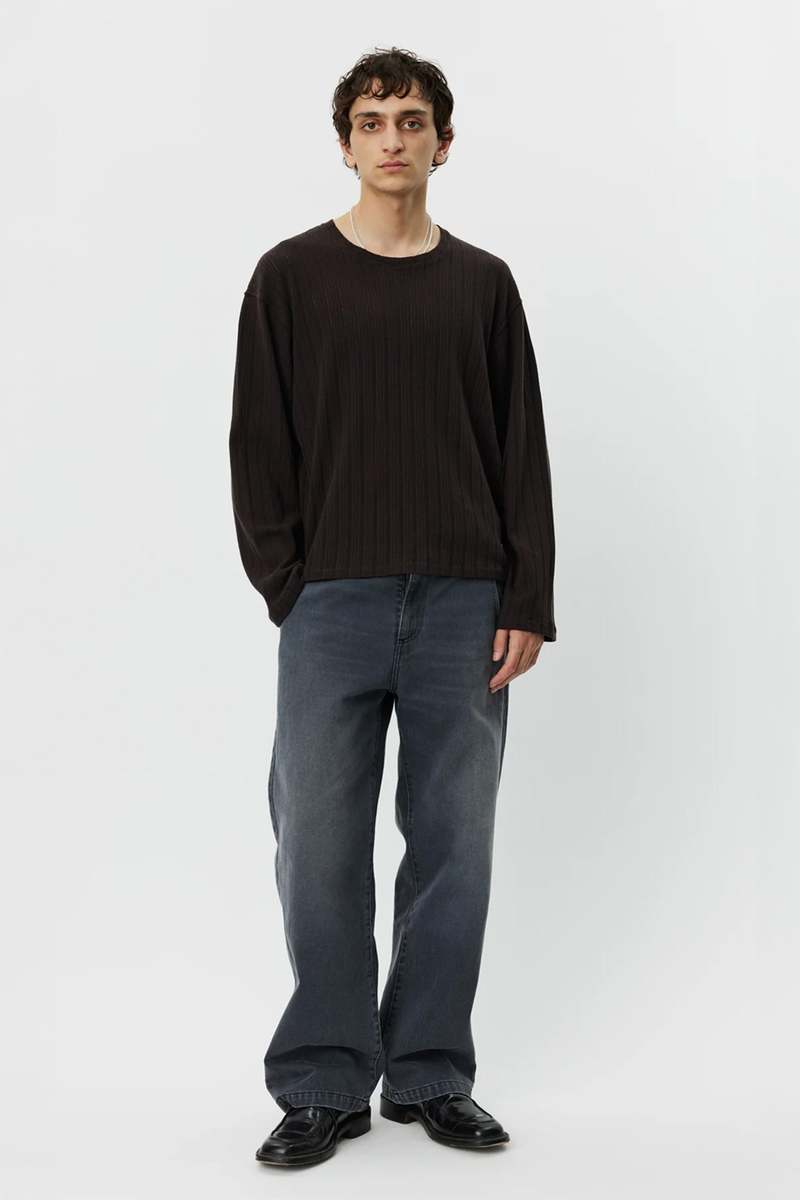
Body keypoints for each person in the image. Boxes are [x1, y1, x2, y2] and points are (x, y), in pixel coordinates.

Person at [229, 46, 557, 1169]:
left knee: (454, 845)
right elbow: (258, 442)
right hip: (331, 602)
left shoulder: (483, 285)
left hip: (467, 602)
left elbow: (520, 447)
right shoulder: (289, 277)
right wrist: (289, 584)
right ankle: (324, 1082)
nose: (392, 139)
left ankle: (428, 1074)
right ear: (345, 144)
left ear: (442, 143)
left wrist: (525, 596)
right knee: (317, 842)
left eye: (411, 121)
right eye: (371, 122)